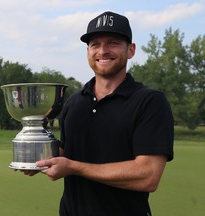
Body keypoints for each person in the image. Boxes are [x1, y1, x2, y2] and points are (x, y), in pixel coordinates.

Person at [23, 11, 174, 216]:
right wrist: (35, 157)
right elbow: (68, 153)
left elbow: (147, 176)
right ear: (88, 52)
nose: (103, 51)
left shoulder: (150, 102)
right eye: (95, 44)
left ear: (130, 50)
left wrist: (74, 167)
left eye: (112, 43)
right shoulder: (74, 103)